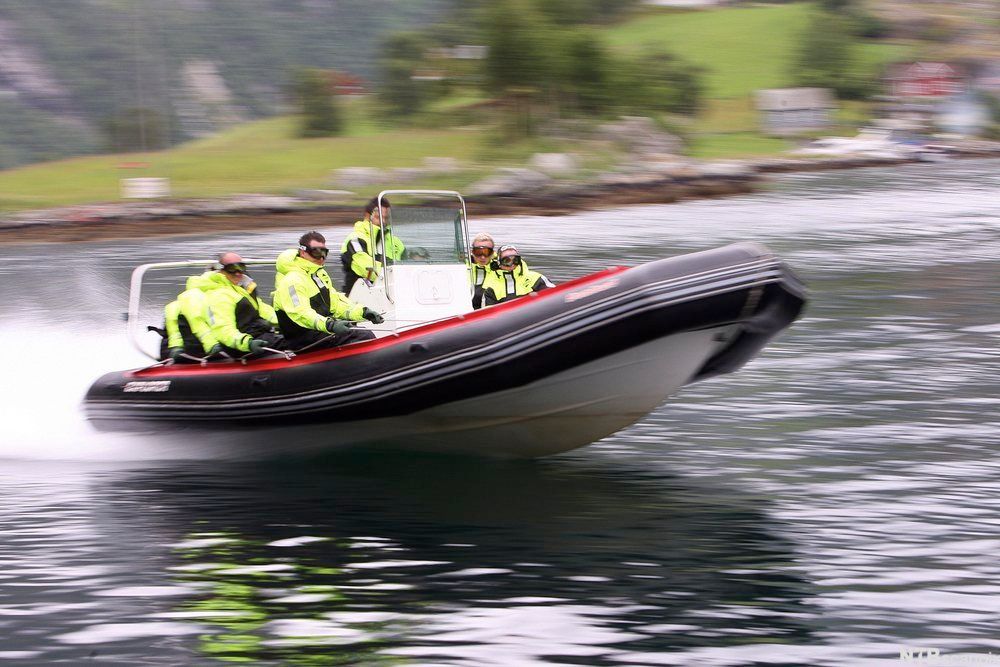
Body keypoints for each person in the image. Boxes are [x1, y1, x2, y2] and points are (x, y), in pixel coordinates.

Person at [274, 230, 385, 351]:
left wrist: (363, 312)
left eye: (325, 252)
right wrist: (330, 325)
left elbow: (335, 305)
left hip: (320, 331)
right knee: (363, 336)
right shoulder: (293, 280)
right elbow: (300, 313)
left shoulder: (319, 275)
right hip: (303, 338)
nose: (322, 257)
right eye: (316, 252)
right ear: (303, 252)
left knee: (359, 331)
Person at [200, 252, 284, 358]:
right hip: (244, 343)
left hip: (258, 334)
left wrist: (287, 322)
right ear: (220, 270)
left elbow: (263, 310)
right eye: (231, 268)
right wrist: (247, 343)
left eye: (241, 267)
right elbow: (223, 330)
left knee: (295, 337)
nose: (238, 272)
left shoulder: (240, 290)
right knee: (292, 343)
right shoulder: (219, 295)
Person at [340, 196, 405, 295]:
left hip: (394, 294)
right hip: (360, 298)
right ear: (367, 215)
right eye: (379, 217)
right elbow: (364, 267)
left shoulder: (396, 242)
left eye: (386, 218)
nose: (383, 221)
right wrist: (397, 273)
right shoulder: (355, 240)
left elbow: (406, 262)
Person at [481, 244, 554, 307]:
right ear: (499, 263)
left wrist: (537, 298)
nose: (512, 264)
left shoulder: (536, 278)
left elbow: (555, 296)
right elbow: (487, 314)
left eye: (515, 260)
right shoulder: (491, 288)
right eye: (507, 261)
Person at [468, 232, 497, 310]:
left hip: (488, 312)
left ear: (492, 253)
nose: (483, 257)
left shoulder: (500, 268)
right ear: (472, 252)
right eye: (478, 252)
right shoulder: (462, 267)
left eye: (487, 252)